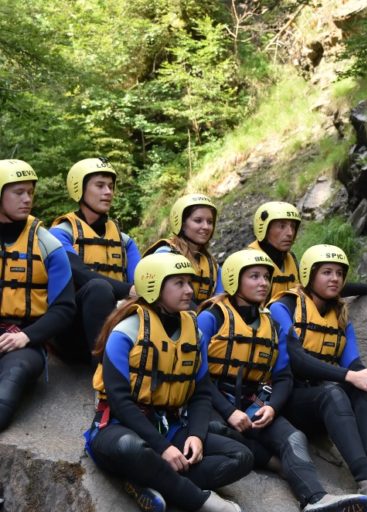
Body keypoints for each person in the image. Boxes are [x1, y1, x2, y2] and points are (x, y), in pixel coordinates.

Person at [197, 248, 367, 512]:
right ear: (233, 280)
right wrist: (229, 411)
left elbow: (283, 377)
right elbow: (196, 374)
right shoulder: (211, 318)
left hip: (254, 401)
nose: (263, 283)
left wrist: (272, 407)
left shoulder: (271, 323)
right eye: (254, 277)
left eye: (266, 277)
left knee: (294, 438)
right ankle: (269, 460)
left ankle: (315, 500)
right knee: (220, 432)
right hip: (212, 400)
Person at [85, 253, 252, 512]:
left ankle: (149, 482)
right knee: (131, 448)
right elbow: (120, 402)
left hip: (171, 426)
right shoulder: (125, 331)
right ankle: (202, 502)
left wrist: (196, 436)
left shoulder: (193, 332)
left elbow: (200, 392)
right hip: (120, 427)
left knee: (242, 457)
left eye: (190, 282)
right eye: (179, 283)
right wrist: (163, 449)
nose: (190, 290)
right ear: (154, 287)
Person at [269, 245, 367, 510]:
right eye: (326, 272)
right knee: (335, 389)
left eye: (339, 273)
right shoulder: (283, 306)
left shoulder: (340, 313)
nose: (334, 279)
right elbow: (296, 360)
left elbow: (353, 361)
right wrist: (349, 377)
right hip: (289, 401)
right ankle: (365, 478)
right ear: (310, 275)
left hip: (324, 403)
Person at [0, 159, 76, 431]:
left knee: (14, 375)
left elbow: (65, 308)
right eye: (18, 192)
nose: (27, 199)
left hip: (25, 341)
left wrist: (26, 336)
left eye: (30, 192)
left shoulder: (47, 244)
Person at [50, 158, 141, 363]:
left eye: (110, 186)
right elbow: (81, 274)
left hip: (116, 320)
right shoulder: (60, 233)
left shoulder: (124, 240)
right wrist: (129, 290)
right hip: (72, 329)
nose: (108, 192)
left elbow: (141, 280)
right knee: (98, 287)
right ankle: (104, 373)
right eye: (100, 186)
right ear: (79, 189)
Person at [249, 201, 367, 302]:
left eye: (293, 227)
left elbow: (320, 287)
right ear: (264, 229)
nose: (290, 233)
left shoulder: (289, 259)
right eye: (281, 226)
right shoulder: (246, 262)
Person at [144, 193, 223, 306]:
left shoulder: (214, 267)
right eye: (198, 220)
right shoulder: (164, 255)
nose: (206, 227)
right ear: (182, 224)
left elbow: (220, 304)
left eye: (210, 222)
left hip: (198, 320)